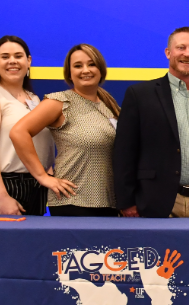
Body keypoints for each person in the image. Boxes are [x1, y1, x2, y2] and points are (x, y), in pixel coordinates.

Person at [114, 27, 189, 218]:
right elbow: (124, 152)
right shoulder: (140, 95)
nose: (187, 54)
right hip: (154, 202)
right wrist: (127, 202)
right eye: (181, 47)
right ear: (168, 52)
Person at [10, 44, 121, 217]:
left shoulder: (109, 104)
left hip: (109, 202)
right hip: (73, 201)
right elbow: (18, 132)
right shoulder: (60, 101)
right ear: (69, 73)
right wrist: (42, 176)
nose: (86, 70)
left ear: (101, 68)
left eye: (91, 64)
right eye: (78, 66)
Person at [0, 36, 52, 216]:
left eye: (18, 56)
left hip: (35, 188)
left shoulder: (34, 99)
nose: (12, 61)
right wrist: (1, 197)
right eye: (5, 56)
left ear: (28, 61)